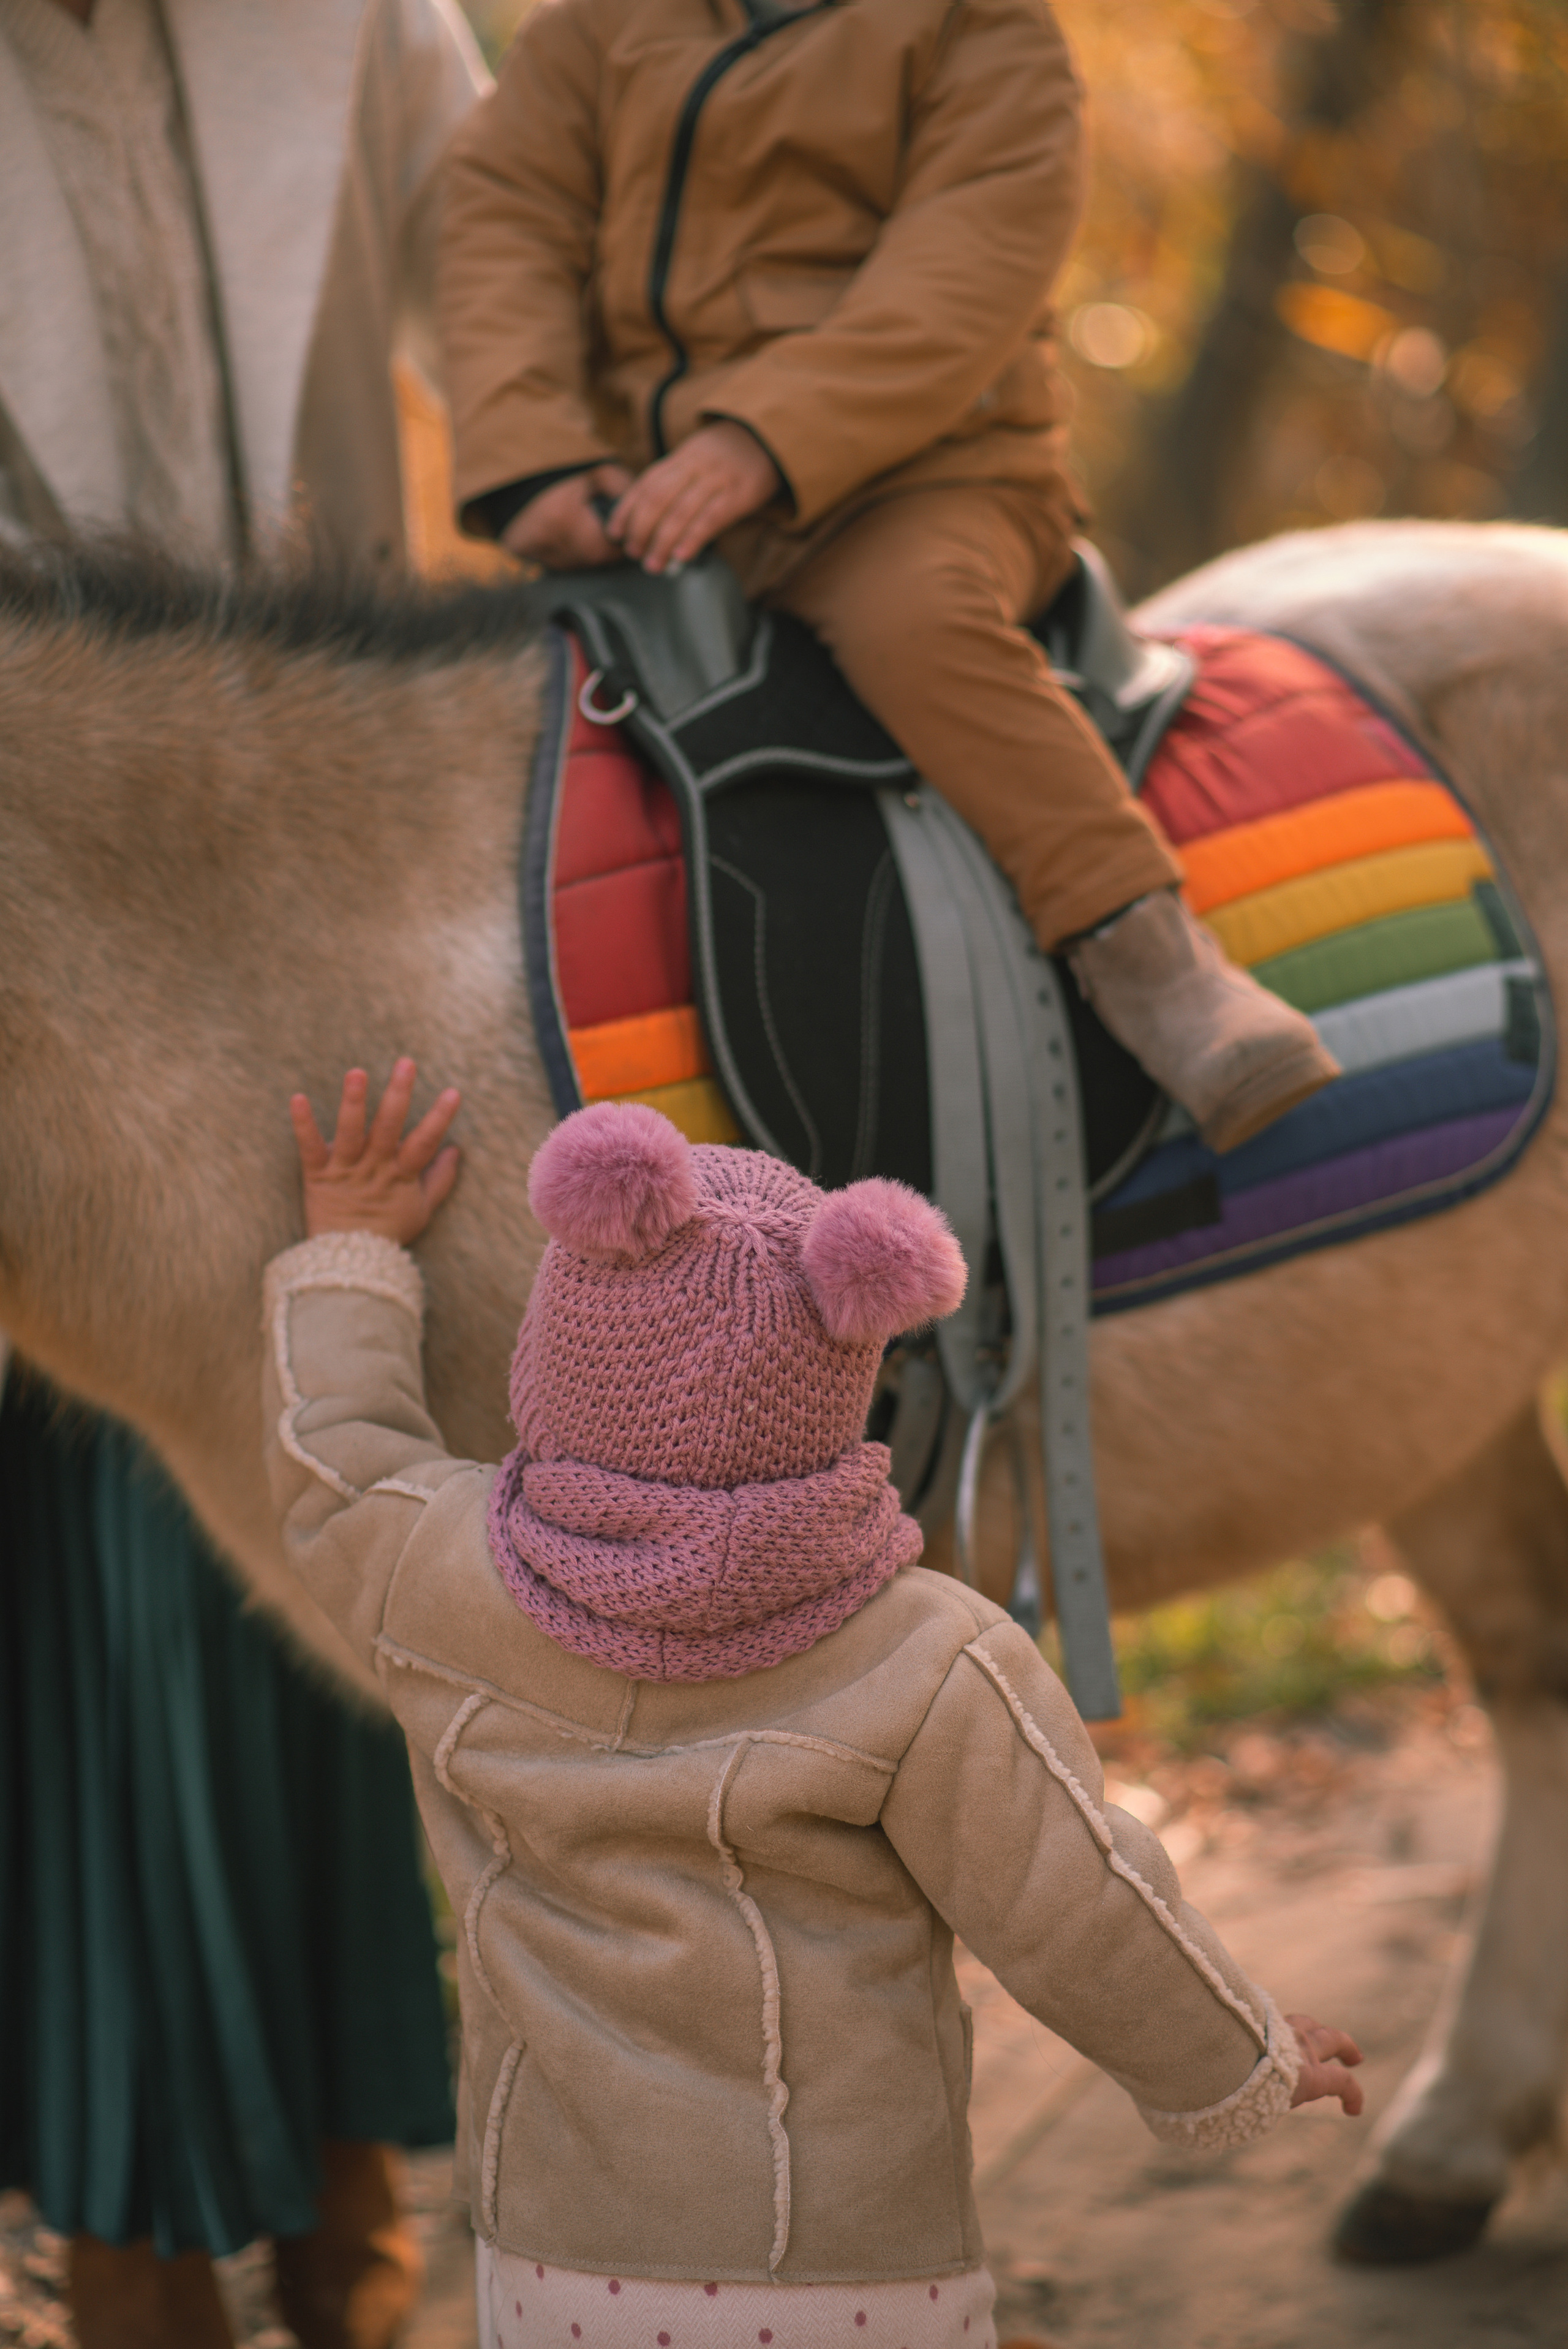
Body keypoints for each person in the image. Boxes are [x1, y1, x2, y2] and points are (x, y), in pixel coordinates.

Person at [262, 1064, 1365, 2349]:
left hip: (560, 2258)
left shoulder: (426, 1572)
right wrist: (1237, 2057)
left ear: (558, 1348)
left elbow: (331, 1454)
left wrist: (348, 1245)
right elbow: (1077, 1901)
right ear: (848, 1366)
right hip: (855, 2272)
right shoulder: (927, 1658)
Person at [0, 4, 488, 2343]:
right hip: (35, 900)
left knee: (345, 1517)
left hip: (310, 864)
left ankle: (341, 2199)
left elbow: (506, 288)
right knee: (78, 1607)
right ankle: (134, 2237)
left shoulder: (360, 16)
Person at [435, 0, 1343, 1158]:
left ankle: (1149, 954)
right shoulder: (598, 27)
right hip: (657, 495)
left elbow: (966, 266)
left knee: (917, 626)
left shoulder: (977, 29)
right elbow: (506, 209)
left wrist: (763, 438)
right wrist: (538, 459)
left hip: (926, 477)